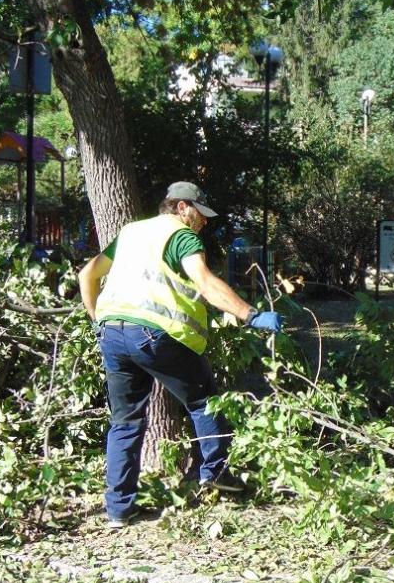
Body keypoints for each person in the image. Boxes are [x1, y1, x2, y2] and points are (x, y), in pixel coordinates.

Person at [79, 181, 282, 528]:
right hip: (155, 335)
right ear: (182, 207)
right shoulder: (181, 236)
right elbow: (204, 283)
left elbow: (87, 274)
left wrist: (99, 319)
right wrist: (251, 315)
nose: (203, 221)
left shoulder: (130, 232)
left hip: (112, 334)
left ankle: (118, 509)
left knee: (125, 421)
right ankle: (216, 473)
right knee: (205, 401)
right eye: (200, 213)